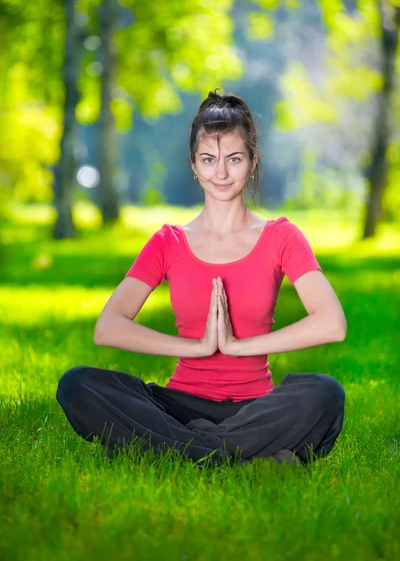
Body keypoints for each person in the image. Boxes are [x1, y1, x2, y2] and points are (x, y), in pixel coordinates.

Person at [56, 89, 346, 469]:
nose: (221, 173)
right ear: (194, 164)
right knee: (77, 384)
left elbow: (332, 324)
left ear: (252, 162)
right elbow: (108, 327)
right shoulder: (169, 241)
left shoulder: (281, 237)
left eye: (234, 159)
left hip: (255, 406)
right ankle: (241, 456)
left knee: (325, 394)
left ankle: (172, 449)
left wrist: (239, 346)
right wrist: (197, 347)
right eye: (209, 159)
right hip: (179, 404)